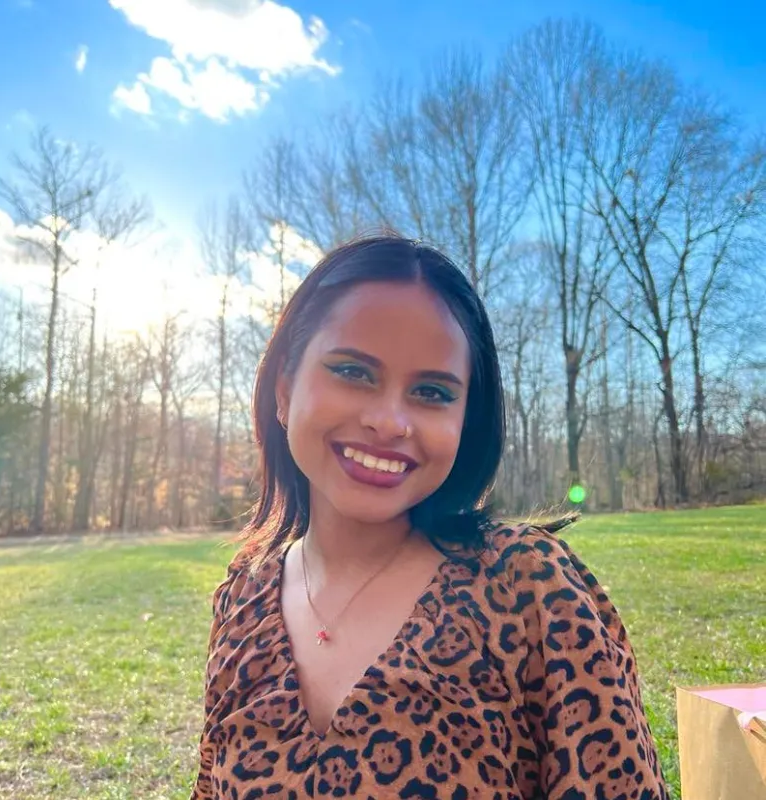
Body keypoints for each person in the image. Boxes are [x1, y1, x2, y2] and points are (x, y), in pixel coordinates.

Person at [191, 234, 670, 799]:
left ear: (468, 419)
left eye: (431, 391)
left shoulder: (532, 589)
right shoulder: (241, 602)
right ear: (284, 389)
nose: (391, 421)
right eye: (353, 372)